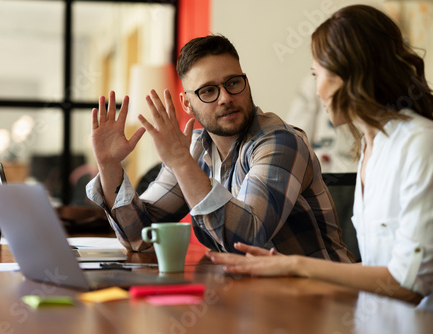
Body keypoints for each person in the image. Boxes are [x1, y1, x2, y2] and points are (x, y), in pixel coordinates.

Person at [207, 5, 433, 306]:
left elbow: (409, 283)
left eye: (318, 75)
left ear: (351, 75)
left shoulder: (420, 143)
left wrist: (295, 265)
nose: (317, 91)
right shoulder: (371, 146)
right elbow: (382, 269)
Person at [86, 34, 354, 263]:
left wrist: (181, 162)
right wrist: (110, 167)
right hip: (249, 301)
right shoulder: (191, 149)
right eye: (208, 90)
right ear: (187, 104)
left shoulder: (280, 142)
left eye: (233, 83)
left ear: (246, 83)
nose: (225, 98)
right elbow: (138, 238)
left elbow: (247, 237)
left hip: (319, 299)